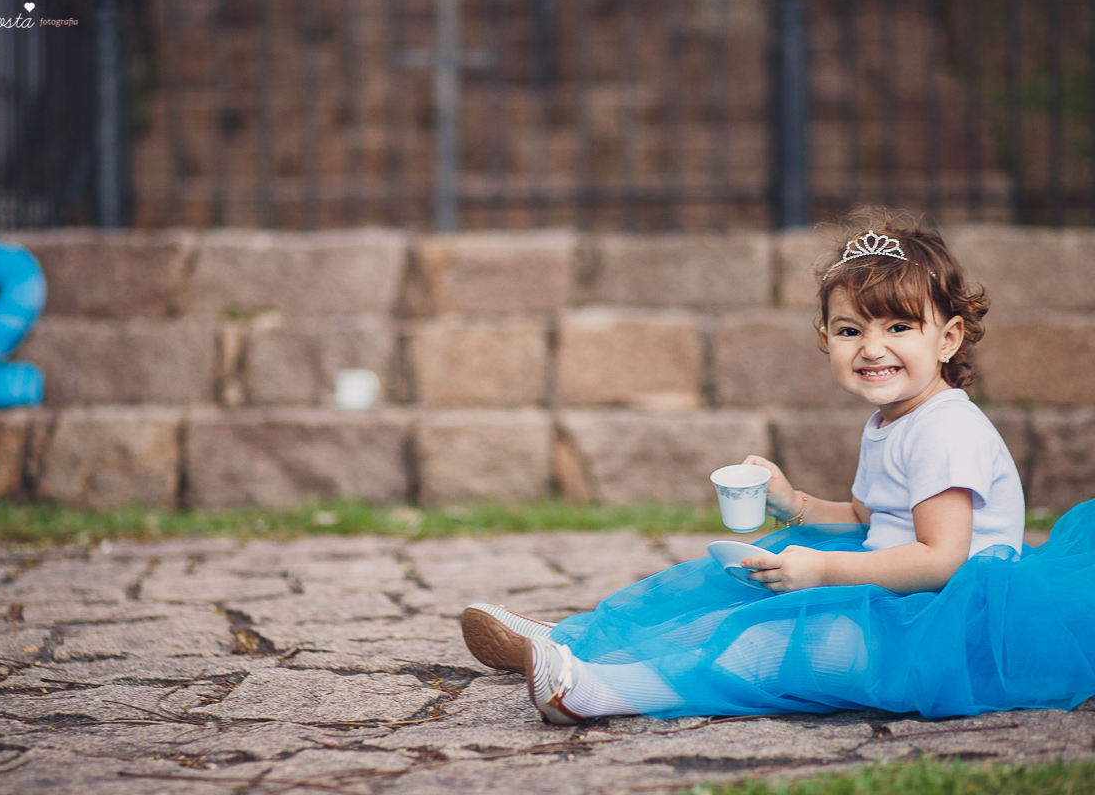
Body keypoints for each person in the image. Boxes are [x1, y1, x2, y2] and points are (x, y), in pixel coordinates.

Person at [461, 208, 1095, 724]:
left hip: (950, 624)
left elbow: (941, 557)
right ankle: (576, 639)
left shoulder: (946, 430)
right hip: (897, 591)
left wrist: (820, 568)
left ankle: (596, 688)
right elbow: (869, 518)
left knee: (780, 645)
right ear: (825, 337)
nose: (873, 348)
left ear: (948, 338)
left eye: (900, 327)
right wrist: (795, 505)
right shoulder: (895, 419)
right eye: (851, 331)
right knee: (732, 587)